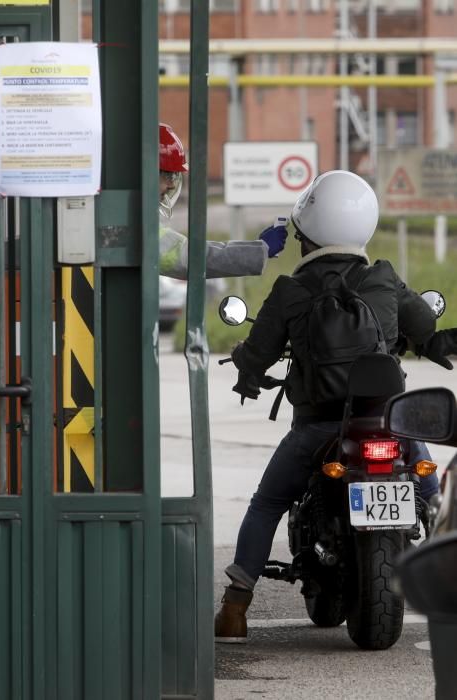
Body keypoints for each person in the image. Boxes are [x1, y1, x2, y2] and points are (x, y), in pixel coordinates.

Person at [214, 169, 457, 644]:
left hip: (317, 429)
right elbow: (428, 333)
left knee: (266, 504)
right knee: (432, 491)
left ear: (305, 236)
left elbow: (258, 353)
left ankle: (235, 609)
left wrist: (247, 368)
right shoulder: (384, 278)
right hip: (390, 424)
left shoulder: (290, 290)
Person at [158, 123, 287, 278]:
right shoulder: (138, 225)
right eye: (166, 175)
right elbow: (189, 257)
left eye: (173, 176)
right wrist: (260, 250)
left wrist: (258, 249)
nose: (172, 184)